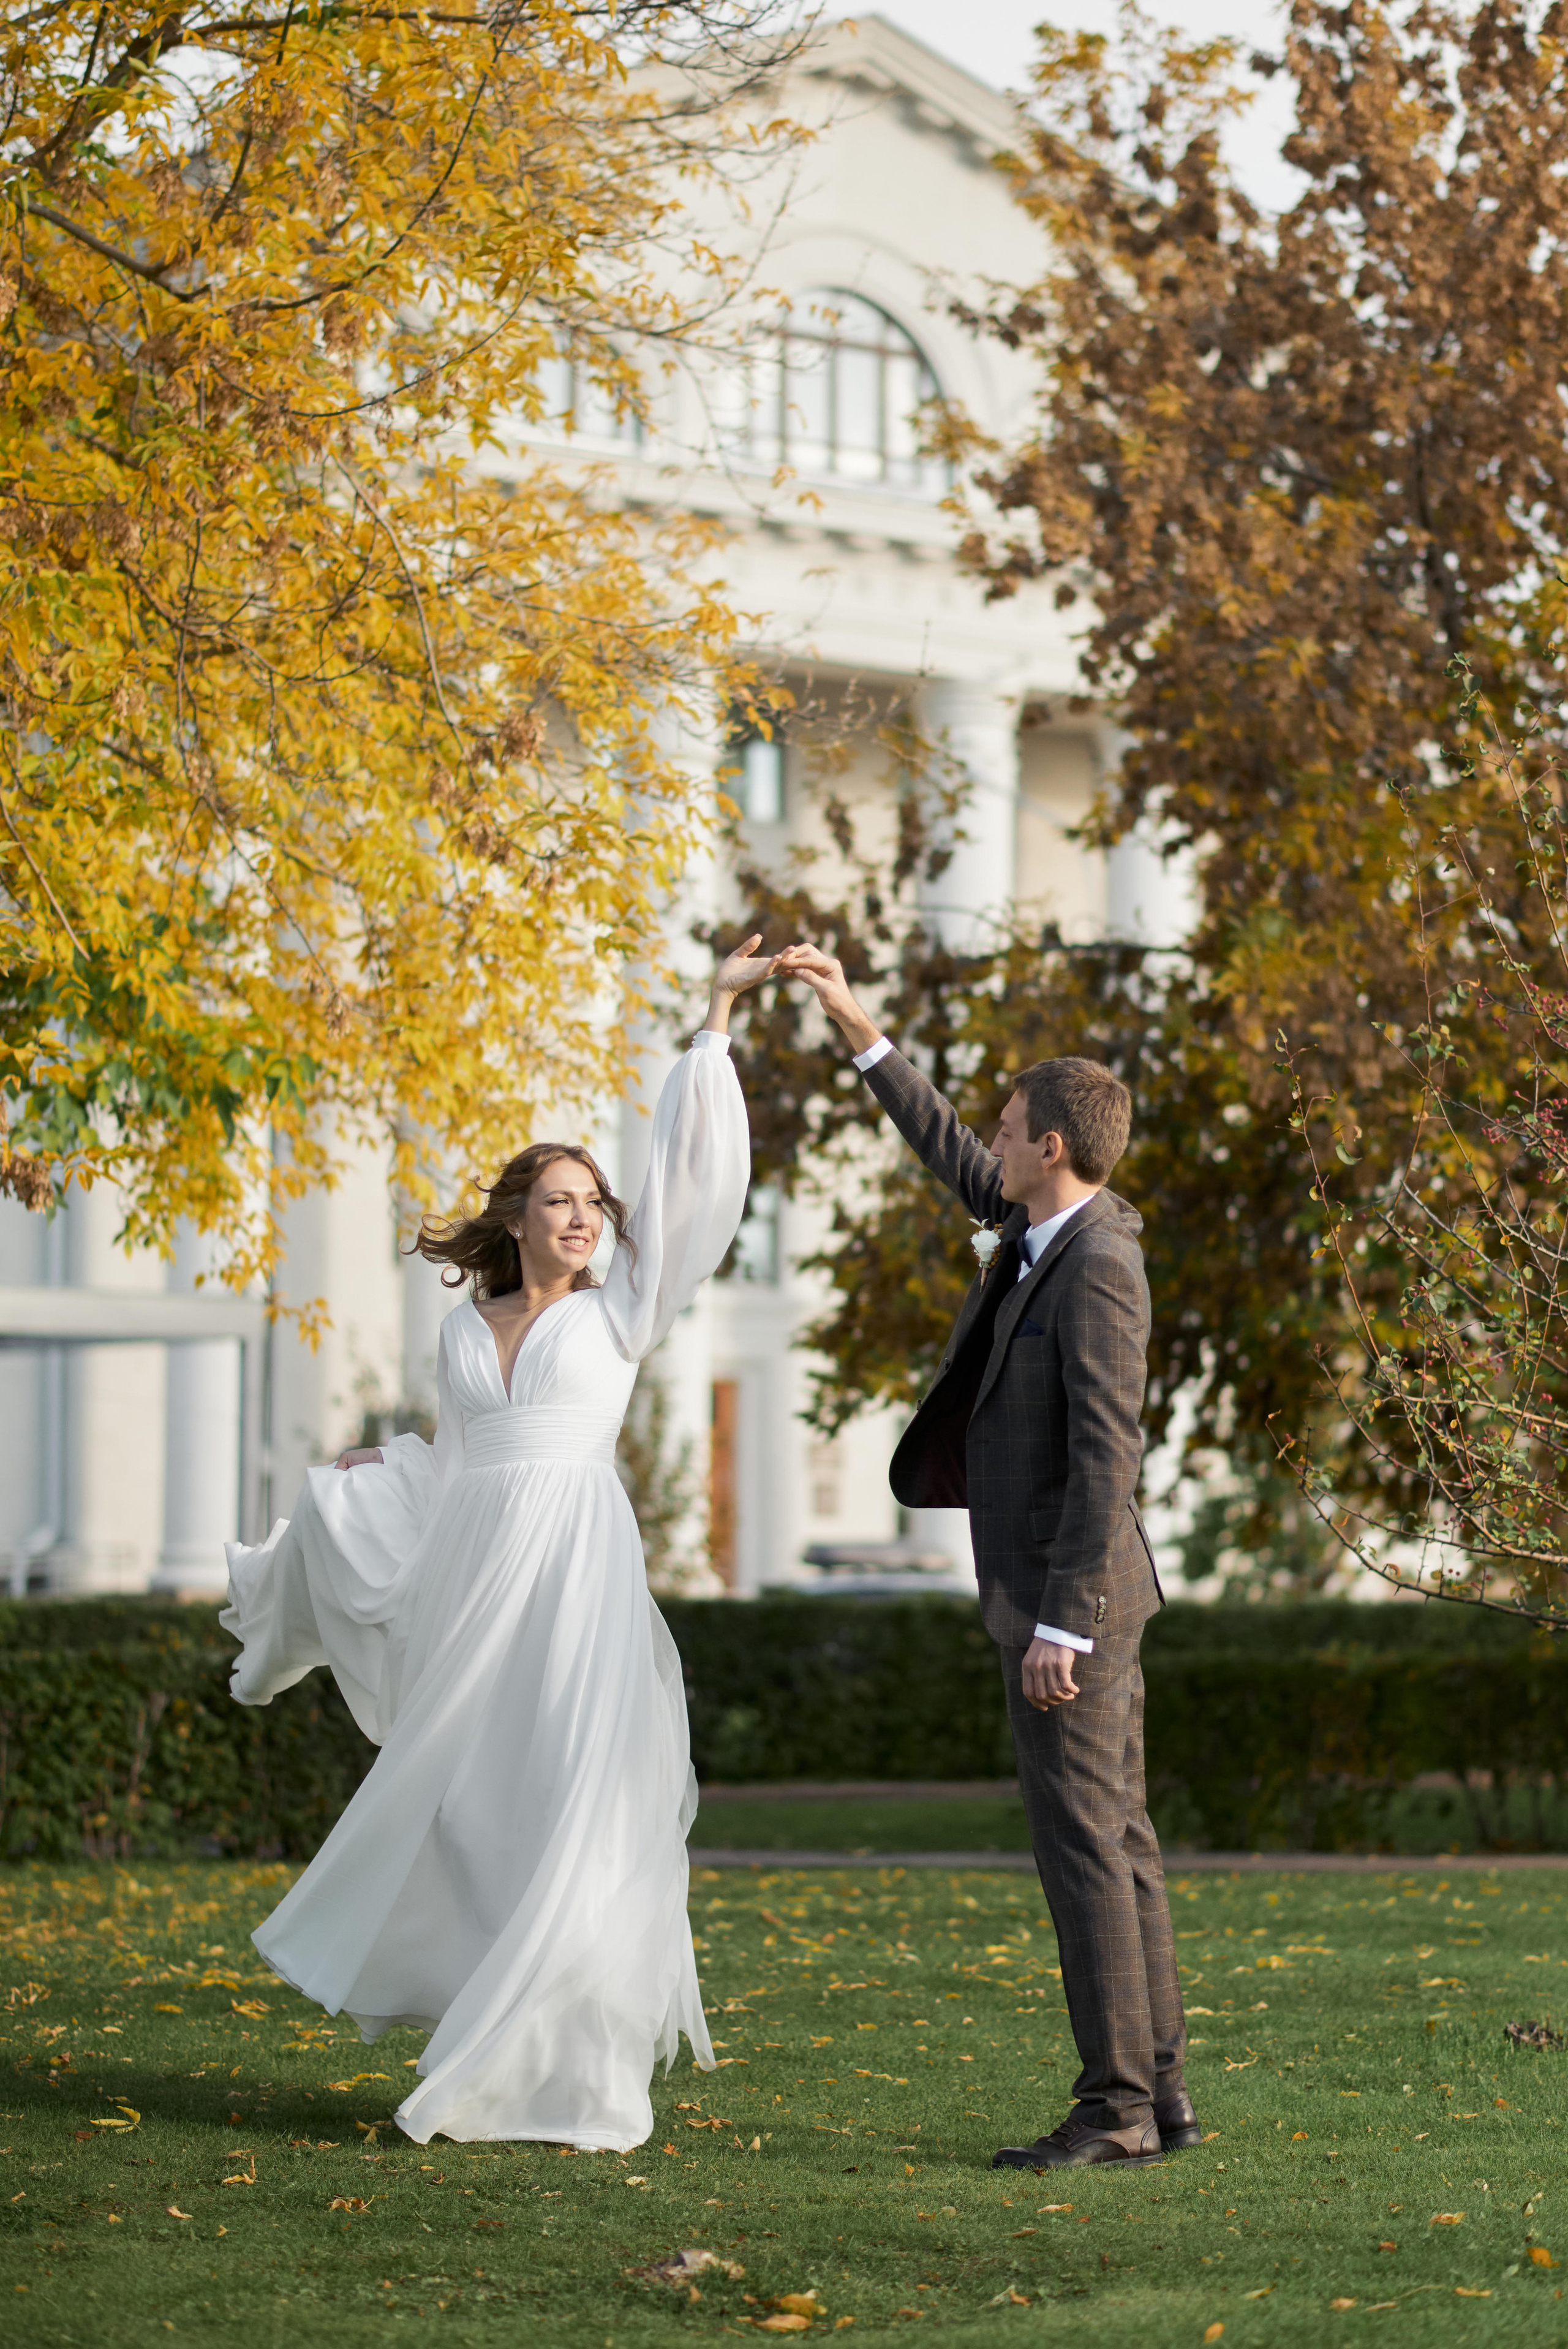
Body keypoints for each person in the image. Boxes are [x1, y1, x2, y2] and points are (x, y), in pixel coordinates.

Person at [221, 937, 779, 2150]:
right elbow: (457, 1455)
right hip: (477, 1579)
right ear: (516, 1219)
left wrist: (717, 1020)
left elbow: (689, 1176)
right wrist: (383, 1471)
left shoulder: (627, 1303)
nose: (582, 1218)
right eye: (560, 1203)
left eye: (593, 1204)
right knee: (476, 1806)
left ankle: (577, 2071)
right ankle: (493, 2029)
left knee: (579, 1794)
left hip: (577, 1570)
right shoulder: (468, 1328)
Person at [777, 942, 1192, 2173]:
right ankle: (1156, 2098)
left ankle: (1113, 2106)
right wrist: (857, 1025)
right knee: (1117, 1840)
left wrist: (1060, 1623)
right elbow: (948, 1152)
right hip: (1076, 1596)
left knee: (1085, 1848)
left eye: (1010, 1129)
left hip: (1073, 1601)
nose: (994, 1143)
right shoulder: (1050, 1226)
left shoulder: (1098, 1264)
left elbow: (1107, 1454)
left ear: (1051, 1148)